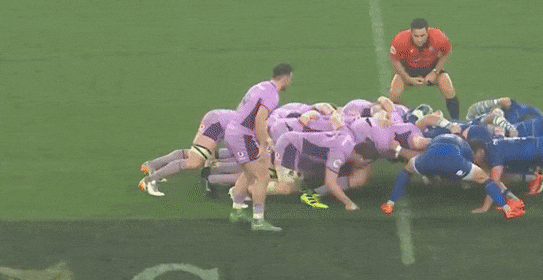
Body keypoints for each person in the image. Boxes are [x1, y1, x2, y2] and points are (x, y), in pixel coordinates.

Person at [380, 133, 525, 219]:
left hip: (427, 162)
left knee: (408, 168)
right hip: (455, 164)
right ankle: (507, 208)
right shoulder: (465, 145)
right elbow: (467, 164)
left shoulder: (436, 138)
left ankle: (390, 204)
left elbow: (426, 149)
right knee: (485, 179)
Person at [225, 63, 293, 232]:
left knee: (248, 172)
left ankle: (237, 211)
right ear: (285, 77)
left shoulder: (259, 86)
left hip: (233, 131)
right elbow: (259, 120)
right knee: (263, 175)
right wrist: (265, 142)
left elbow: (241, 109)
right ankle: (258, 221)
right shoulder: (272, 95)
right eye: (290, 78)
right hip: (242, 135)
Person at [271, 130, 379, 210]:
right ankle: (255, 190)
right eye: (367, 163)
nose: (366, 166)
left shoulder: (350, 141)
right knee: (287, 188)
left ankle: (271, 174)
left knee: (297, 182)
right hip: (289, 146)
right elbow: (330, 183)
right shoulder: (339, 154)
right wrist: (348, 203)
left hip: (296, 145)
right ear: (360, 158)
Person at [139, 109, 236, 196]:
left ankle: (152, 164)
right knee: (195, 162)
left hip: (217, 117)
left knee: (196, 154)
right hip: (218, 124)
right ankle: (150, 180)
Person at [387, 18, 460, 119]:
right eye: (416, 36)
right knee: (394, 93)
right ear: (411, 33)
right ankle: (387, 119)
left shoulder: (439, 37)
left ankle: (456, 121)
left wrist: (435, 72)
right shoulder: (401, 40)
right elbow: (395, 60)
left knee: (447, 87)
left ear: (428, 32)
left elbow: (446, 53)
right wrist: (407, 78)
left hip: (431, 67)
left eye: (422, 35)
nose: (419, 39)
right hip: (408, 68)